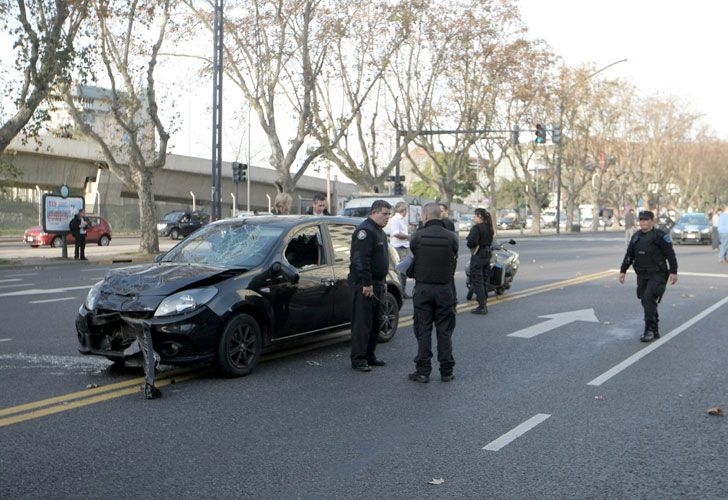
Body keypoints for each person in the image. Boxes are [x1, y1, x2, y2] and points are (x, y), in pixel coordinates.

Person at [407, 203, 458, 383]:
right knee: (444, 331)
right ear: (441, 216)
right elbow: (453, 262)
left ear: (425, 216)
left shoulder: (417, 237)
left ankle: (422, 371)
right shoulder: (452, 237)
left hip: (423, 289)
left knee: (423, 330)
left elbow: (412, 258)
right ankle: (446, 371)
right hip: (444, 289)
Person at [619, 210, 678, 342]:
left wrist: (673, 272)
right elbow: (629, 255)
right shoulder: (636, 237)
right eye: (641, 220)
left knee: (647, 298)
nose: (643, 222)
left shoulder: (660, 236)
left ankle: (649, 330)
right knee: (646, 301)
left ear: (653, 221)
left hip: (658, 274)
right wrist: (622, 271)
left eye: (646, 220)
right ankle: (655, 328)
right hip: (642, 274)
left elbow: (670, 254)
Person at [348, 200, 392, 372]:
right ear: (374, 212)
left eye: (389, 214)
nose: (387, 217)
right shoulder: (365, 231)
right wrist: (366, 283)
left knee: (375, 322)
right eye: (385, 213)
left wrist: (384, 281)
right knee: (362, 323)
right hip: (365, 284)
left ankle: (369, 355)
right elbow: (360, 260)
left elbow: (380, 259)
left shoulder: (379, 231)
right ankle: (358, 359)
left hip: (378, 283)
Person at [466, 208, 494, 315]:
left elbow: (471, 242)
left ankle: (482, 306)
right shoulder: (489, 227)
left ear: (479, 216)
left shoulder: (476, 228)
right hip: (487, 255)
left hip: (478, 255)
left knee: (477, 280)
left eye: (475, 216)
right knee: (484, 280)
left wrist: (470, 240)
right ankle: (484, 302)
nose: (474, 218)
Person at [388, 202, 411, 298]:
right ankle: (400, 292)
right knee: (400, 271)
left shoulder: (400, 219)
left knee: (403, 271)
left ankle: (402, 291)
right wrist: (408, 236)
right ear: (404, 210)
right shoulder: (396, 219)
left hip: (403, 246)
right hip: (398, 247)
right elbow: (395, 233)